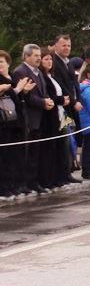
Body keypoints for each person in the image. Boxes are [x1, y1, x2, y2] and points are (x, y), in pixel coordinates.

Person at [12, 44, 54, 193]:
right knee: (26, 153)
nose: (38, 58)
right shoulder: (20, 72)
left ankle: (33, 182)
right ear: (26, 56)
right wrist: (43, 102)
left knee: (35, 153)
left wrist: (48, 100)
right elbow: (27, 97)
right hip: (27, 118)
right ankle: (23, 183)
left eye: (39, 56)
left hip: (39, 117)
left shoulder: (38, 73)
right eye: (35, 56)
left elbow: (43, 91)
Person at [39, 49, 76, 189]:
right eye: (46, 59)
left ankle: (65, 175)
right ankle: (54, 178)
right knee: (54, 148)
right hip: (52, 116)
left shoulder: (52, 76)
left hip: (62, 115)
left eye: (50, 59)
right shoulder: (43, 77)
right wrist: (61, 100)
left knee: (65, 146)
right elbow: (49, 96)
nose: (49, 62)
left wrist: (65, 99)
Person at [0, 50, 35, 196]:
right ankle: (4, 187)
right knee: (4, 156)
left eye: (1, 62)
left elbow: (17, 97)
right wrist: (17, 89)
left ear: (8, 63)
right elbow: (10, 94)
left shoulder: (12, 77)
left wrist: (23, 91)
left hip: (17, 121)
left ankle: (15, 184)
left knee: (17, 155)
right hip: (4, 122)